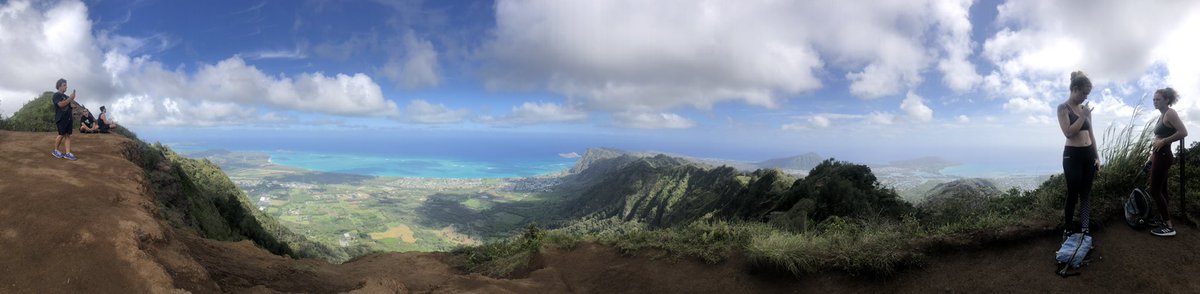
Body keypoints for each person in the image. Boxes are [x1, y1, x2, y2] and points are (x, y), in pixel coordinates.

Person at [1056, 71, 1098, 237]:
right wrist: (1083, 116)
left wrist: (1097, 157)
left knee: (1086, 193)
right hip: (1072, 155)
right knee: (1073, 192)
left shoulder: (1085, 109)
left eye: (1087, 94)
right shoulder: (1063, 108)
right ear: (1074, 89)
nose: (1085, 97)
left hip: (1088, 154)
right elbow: (1068, 132)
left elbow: (1091, 134)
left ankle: (1085, 227)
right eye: (1083, 93)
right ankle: (1068, 228)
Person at [1148, 87, 1187, 237]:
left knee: (1155, 191)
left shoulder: (1170, 113)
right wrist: (1151, 157)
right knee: (1162, 190)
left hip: (1164, 156)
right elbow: (1158, 140)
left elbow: (1183, 132)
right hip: (1159, 156)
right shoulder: (1162, 115)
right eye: (1154, 99)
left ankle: (1169, 226)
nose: (1155, 102)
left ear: (1167, 100)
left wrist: (1164, 141)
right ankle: (1163, 219)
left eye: (1158, 99)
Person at [51, 78, 78, 161]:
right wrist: (70, 98)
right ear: (59, 86)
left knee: (68, 135)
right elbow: (61, 105)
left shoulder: (65, 96)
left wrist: (71, 102)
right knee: (61, 134)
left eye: (66, 85)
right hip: (61, 118)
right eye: (64, 85)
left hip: (68, 118)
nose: (66, 87)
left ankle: (67, 153)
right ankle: (55, 150)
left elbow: (67, 106)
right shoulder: (56, 95)